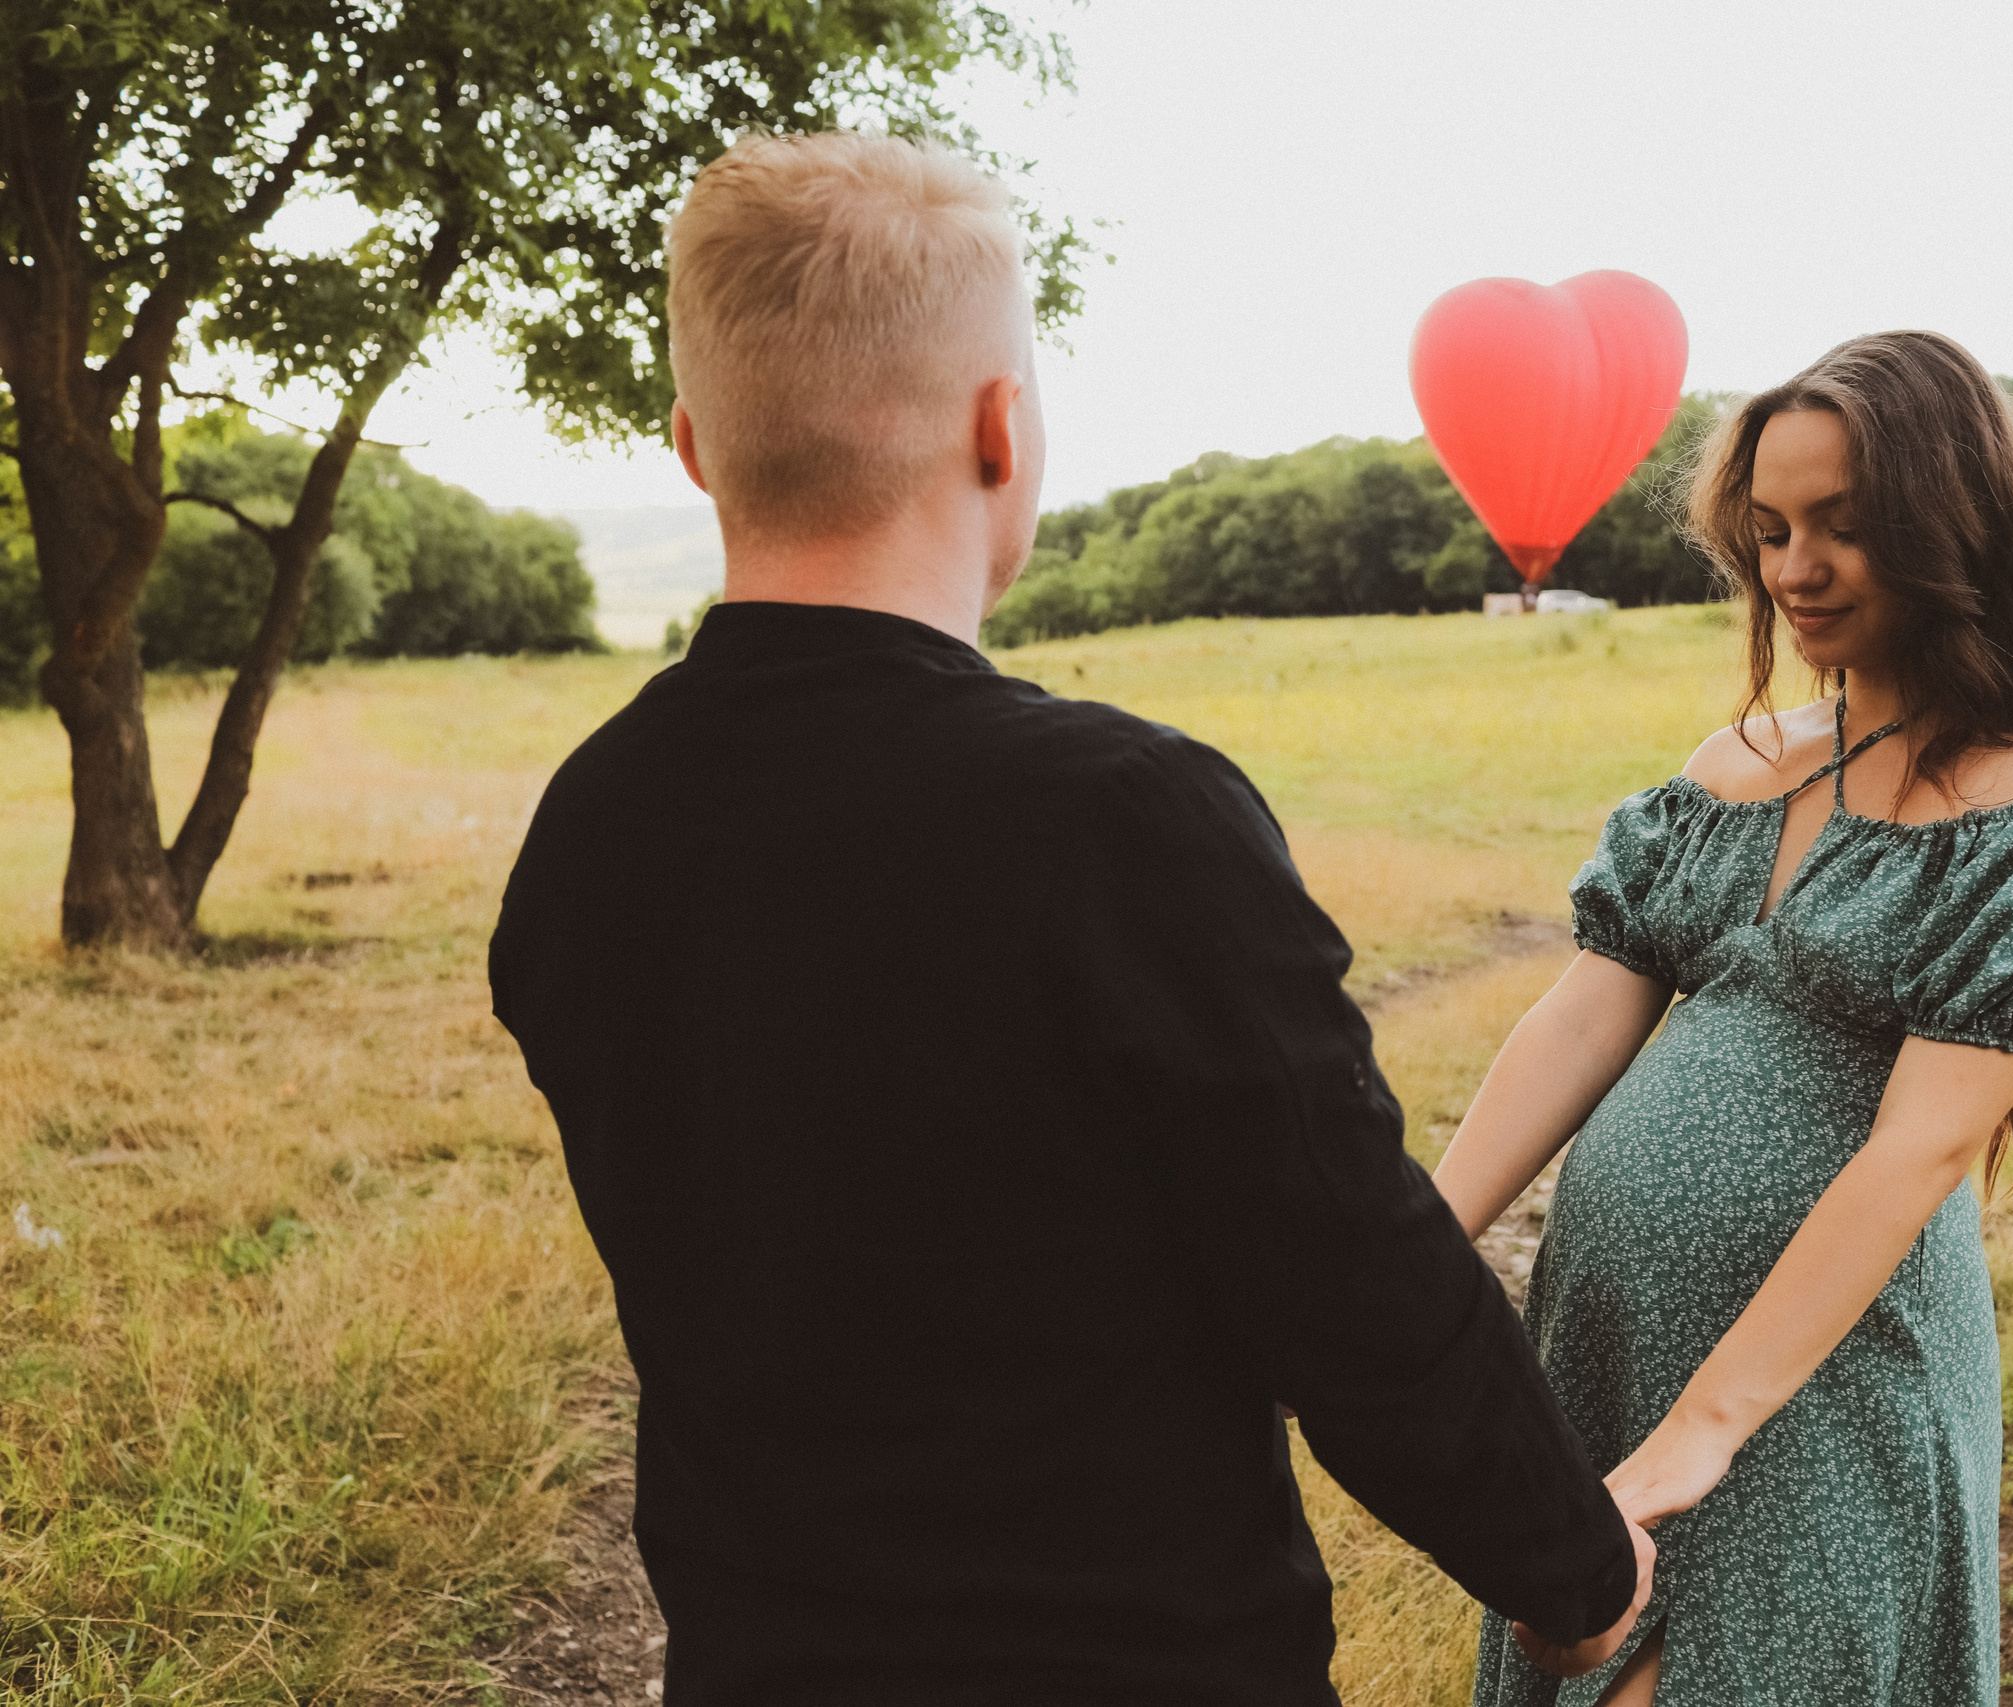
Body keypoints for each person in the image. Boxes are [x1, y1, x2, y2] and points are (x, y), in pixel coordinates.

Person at [487, 131, 1649, 1706]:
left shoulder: (590, 823)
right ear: (1002, 427)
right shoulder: (1122, 818)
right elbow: (1350, 1280)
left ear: (695, 447)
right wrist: (1573, 1574)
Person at [1435, 332, 2013, 1707]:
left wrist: (1707, 1428)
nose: (1793, 569)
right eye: (1769, 531)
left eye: (1844, 526)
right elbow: (1580, 1025)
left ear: (1950, 525)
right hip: (1611, 1342)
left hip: (1819, 1380)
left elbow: (1919, 1150)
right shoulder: (1735, 770)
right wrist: (1412, 1248)